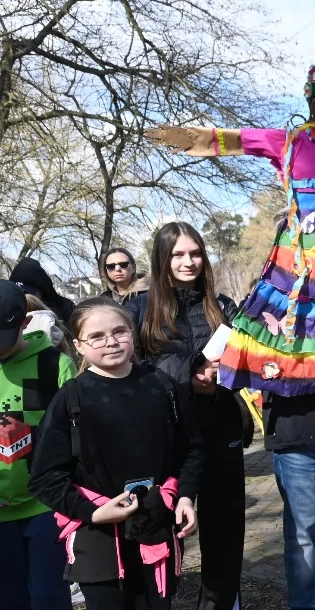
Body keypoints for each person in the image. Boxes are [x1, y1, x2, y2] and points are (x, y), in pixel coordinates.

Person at [28, 297, 202, 610]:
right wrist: (92, 512)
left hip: (156, 523)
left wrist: (186, 497)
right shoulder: (70, 399)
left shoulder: (162, 386)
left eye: (119, 331)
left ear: (132, 334)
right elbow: (44, 478)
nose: (111, 342)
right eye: (96, 336)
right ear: (79, 345)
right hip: (98, 537)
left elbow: (190, 450)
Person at [124, 223, 244, 610]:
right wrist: (191, 373)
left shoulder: (222, 306)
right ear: (162, 258)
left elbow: (248, 366)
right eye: (178, 254)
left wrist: (220, 378)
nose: (188, 262)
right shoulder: (139, 309)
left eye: (195, 253)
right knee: (162, 535)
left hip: (220, 430)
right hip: (167, 439)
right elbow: (133, 370)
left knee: (224, 539)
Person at [0, 280, 76, 610]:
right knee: (10, 598)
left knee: (48, 598)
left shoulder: (54, 366)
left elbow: (76, 436)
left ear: (25, 321)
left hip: (46, 505)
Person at [11, 257, 75, 329]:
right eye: (18, 294)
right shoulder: (9, 311)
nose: (25, 299)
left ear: (42, 291)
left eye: (27, 293)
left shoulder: (66, 308)